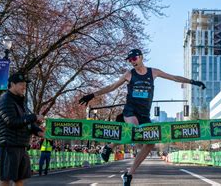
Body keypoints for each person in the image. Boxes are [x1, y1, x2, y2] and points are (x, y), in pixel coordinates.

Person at [79, 49, 205, 186]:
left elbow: (174, 77)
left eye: (134, 58)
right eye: (130, 60)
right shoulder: (129, 74)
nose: (132, 62)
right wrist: (92, 95)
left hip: (145, 114)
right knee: (134, 130)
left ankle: (128, 174)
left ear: (141, 57)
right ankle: (109, 147)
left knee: (150, 143)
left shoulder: (153, 72)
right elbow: (111, 87)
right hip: (130, 110)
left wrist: (192, 81)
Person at [0, 72, 45, 186]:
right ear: (12, 84)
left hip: (21, 145)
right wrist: (34, 117)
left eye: (25, 84)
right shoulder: (5, 100)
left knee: (20, 179)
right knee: (6, 179)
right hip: (8, 145)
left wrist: (38, 131)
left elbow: (26, 122)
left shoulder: (20, 101)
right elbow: (11, 122)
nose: (24, 87)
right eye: (21, 84)